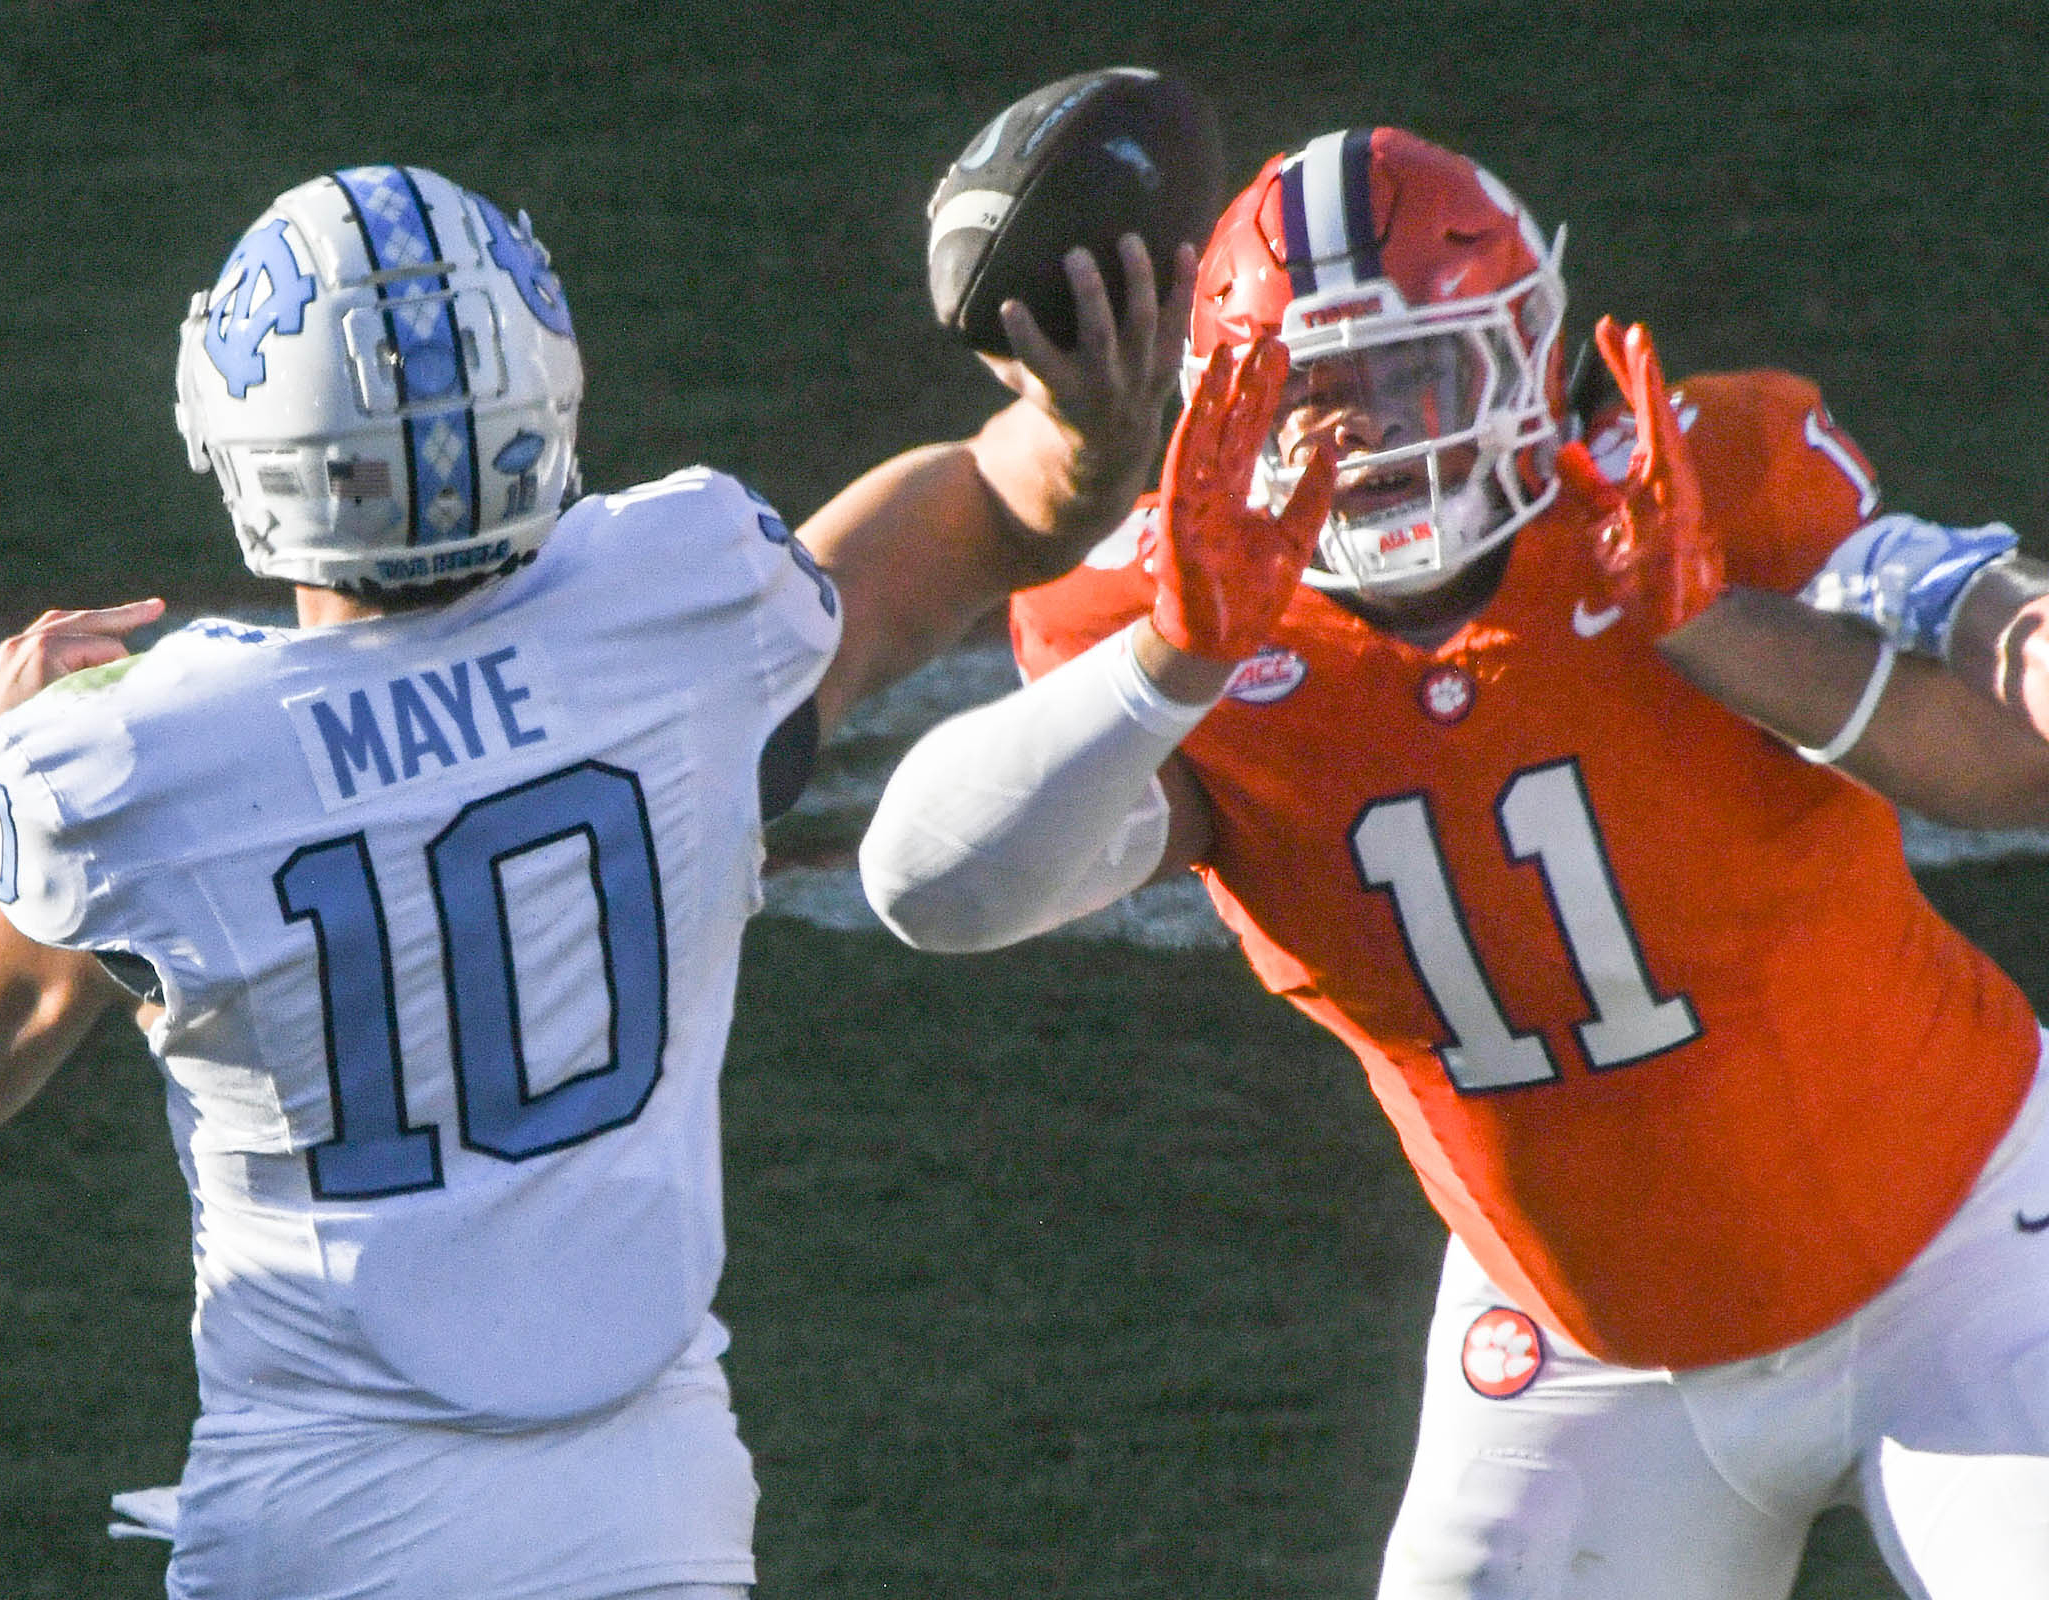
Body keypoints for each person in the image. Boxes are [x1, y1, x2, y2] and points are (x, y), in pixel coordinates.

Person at [0, 163, 1189, 1598]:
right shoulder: (689, 606)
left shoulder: (134, 769)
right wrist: (1093, 421)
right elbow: (993, 514)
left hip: (318, 1512)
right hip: (650, 1497)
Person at [858, 126, 2049, 1598]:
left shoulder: (1687, 482)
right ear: (1226, 413)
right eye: (1322, 406)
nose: (1384, 448)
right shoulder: (1175, 614)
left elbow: (2018, 765)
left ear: (1529, 347)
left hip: (1966, 1256)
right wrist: (1176, 654)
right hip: (1578, 1338)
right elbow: (931, 891)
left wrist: (1720, 631)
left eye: (1418, 378)